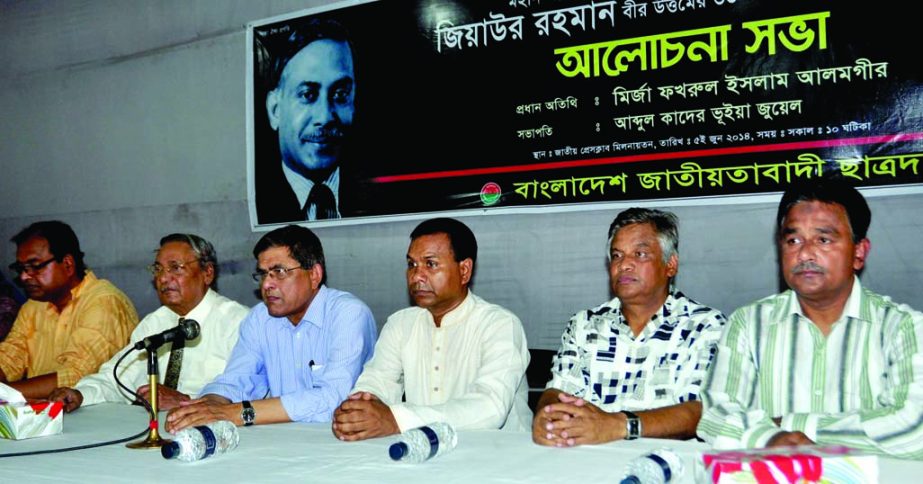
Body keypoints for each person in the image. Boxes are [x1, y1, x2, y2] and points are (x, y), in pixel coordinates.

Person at [697, 178, 923, 459]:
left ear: (859, 252)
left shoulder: (904, 328)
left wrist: (790, 427)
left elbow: (915, 428)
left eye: (823, 239)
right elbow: (714, 413)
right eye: (793, 240)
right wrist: (770, 437)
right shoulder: (749, 324)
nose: (804, 253)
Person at [533, 208, 727, 447]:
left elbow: (700, 413)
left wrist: (618, 425)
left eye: (640, 254)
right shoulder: (585, 324)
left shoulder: (704, 325)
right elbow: (557, 392)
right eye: (616, 255)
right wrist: (548, 417)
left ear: (670, 265)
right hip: (587, 460)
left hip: (668, 463)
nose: (624, 264)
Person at [332, 217, 531, 441]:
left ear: (464, 270)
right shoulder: (401, 324)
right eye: (411, 265)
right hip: (421, 449)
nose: (416, 276)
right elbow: (377, 382)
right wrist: (361, 408)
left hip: (501, 457)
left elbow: (490, 408)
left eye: (431, 264)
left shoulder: (500, 324)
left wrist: (396, 419)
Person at [166, 225, 376, 432]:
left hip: (341, 441)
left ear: (314, 275)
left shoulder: (348, 314)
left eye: (279, 272)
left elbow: (333, 399)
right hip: (281, 440)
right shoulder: (260, 317)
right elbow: (237, 379)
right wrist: (208, 404)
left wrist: (237, 413)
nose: (266, 284)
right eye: (263, 274)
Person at [48, 234, 249, 412]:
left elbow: (252, 393)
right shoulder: (155, 322)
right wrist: (81, 394)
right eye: (158, 269)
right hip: (151, 429)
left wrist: (186, 402)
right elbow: (117, 376)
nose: (163, 278)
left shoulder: (238, 322)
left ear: (207, 273)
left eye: (175, 268)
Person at [0, 221, 138, 399]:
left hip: (97, 416)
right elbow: (9, 358)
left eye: (35, 266)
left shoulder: (104, 301)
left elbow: (76, 376)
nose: (25, 276)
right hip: (45, 416)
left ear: (67, 264)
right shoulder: (34, 305)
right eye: (21, 269)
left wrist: (5, 394)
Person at [256, 18, 357, 223]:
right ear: (275, 110)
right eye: (307, 94)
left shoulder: (385, 197)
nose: (325, 117)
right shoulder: (259, 201)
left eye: (340, 94)